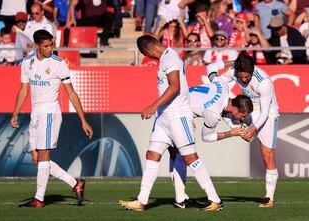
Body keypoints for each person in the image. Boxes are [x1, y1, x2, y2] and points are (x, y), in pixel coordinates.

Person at [118, 35, 222, 211]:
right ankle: (142, 201)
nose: (149, 58)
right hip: (164, 118)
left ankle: (215, 200)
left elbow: (175, 86)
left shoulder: (170, 58)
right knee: (152, 154)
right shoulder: (166, 58)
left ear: (148, 51)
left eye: (147, 55)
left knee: (190, 158)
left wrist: (153, 105)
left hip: (178, 116)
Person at [10, 29, 93, 208]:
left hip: (50, 112)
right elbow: (24, 89)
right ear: (37, 46)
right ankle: (75, 184)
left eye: (52, 45)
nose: (50, 49)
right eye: (46, 46)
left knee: (44, 155)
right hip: (35, 112)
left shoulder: (58, 63)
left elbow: (71, 92)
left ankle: (39, 199)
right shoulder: (27, 62)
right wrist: (15, 112)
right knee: (37, 159)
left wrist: (83, 120)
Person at [209, 52, 280, 208]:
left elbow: (265, 112)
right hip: (248, 107)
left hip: (266, 112)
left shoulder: (264, 82)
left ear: (252, 71)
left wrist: (253, 128)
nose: (244, 80)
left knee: (266, 153)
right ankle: (239, 129)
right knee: (225, 108)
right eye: (242, 77)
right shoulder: (234, 71)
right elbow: (220, 83)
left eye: (247, 77)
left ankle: (269, 197)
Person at [170, 78, 254, 208]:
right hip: (174, 114)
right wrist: (231, 133)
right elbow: (207, 137)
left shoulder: (224, 86)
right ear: (235, 109)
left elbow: (212, 68)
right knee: (186, 155)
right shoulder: (213, 113)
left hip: (174, 104)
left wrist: (236, 128)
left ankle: (180, 199)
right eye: (243, 116)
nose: (243, 119)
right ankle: (211, 199)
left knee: (173, 153)